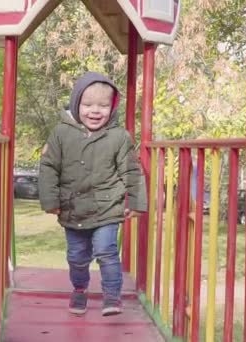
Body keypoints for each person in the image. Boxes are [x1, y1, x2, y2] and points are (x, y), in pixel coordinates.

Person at [38, 72, 147, 316]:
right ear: (77, 104)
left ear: (112, 107)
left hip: (107, 207)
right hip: (73, 207)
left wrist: (137, 202)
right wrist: (50, 200)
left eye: (103, 106)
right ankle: (79, 288)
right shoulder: (61, 133)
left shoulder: (119, 137)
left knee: (107, 251)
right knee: (77, 256)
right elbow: (49, 168)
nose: (95, 111)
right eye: (87, 105)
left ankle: (112, 296)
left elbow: (131, 169)